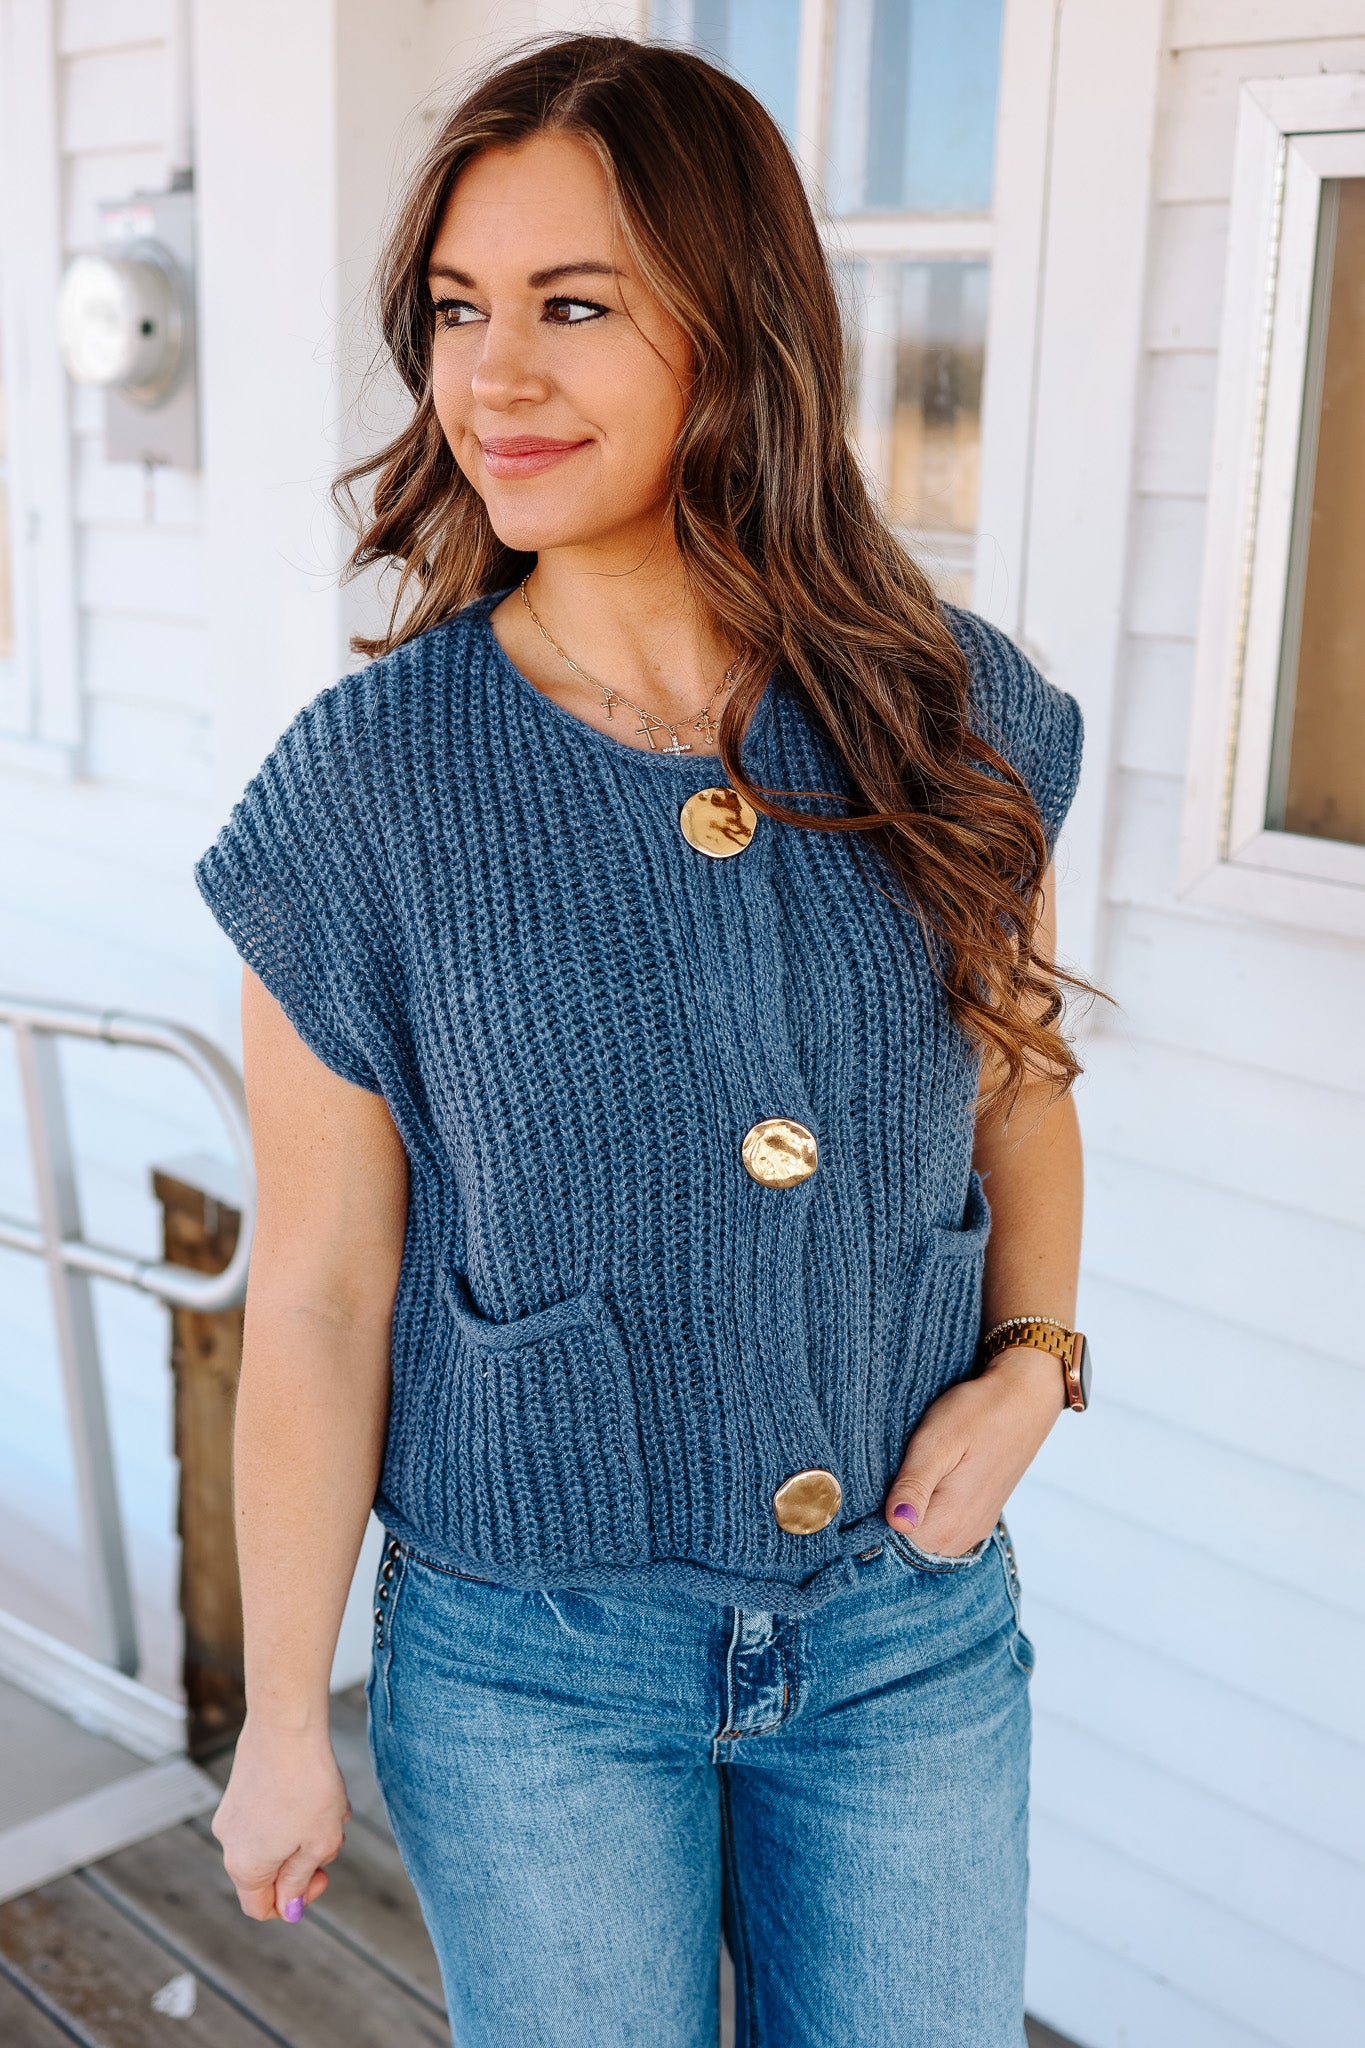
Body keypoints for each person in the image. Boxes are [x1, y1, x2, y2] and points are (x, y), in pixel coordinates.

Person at [199, 33, 1091, 2048]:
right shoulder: (366, 794)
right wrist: (281, 1717)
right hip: (535, 1670)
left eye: (573, 306)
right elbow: (322, 1292)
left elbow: (1019, 1082)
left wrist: (1036, 1362)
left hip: (905, 1637)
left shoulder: (946, 718)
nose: (492, 377)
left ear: (737, 327)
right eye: (458, 310)